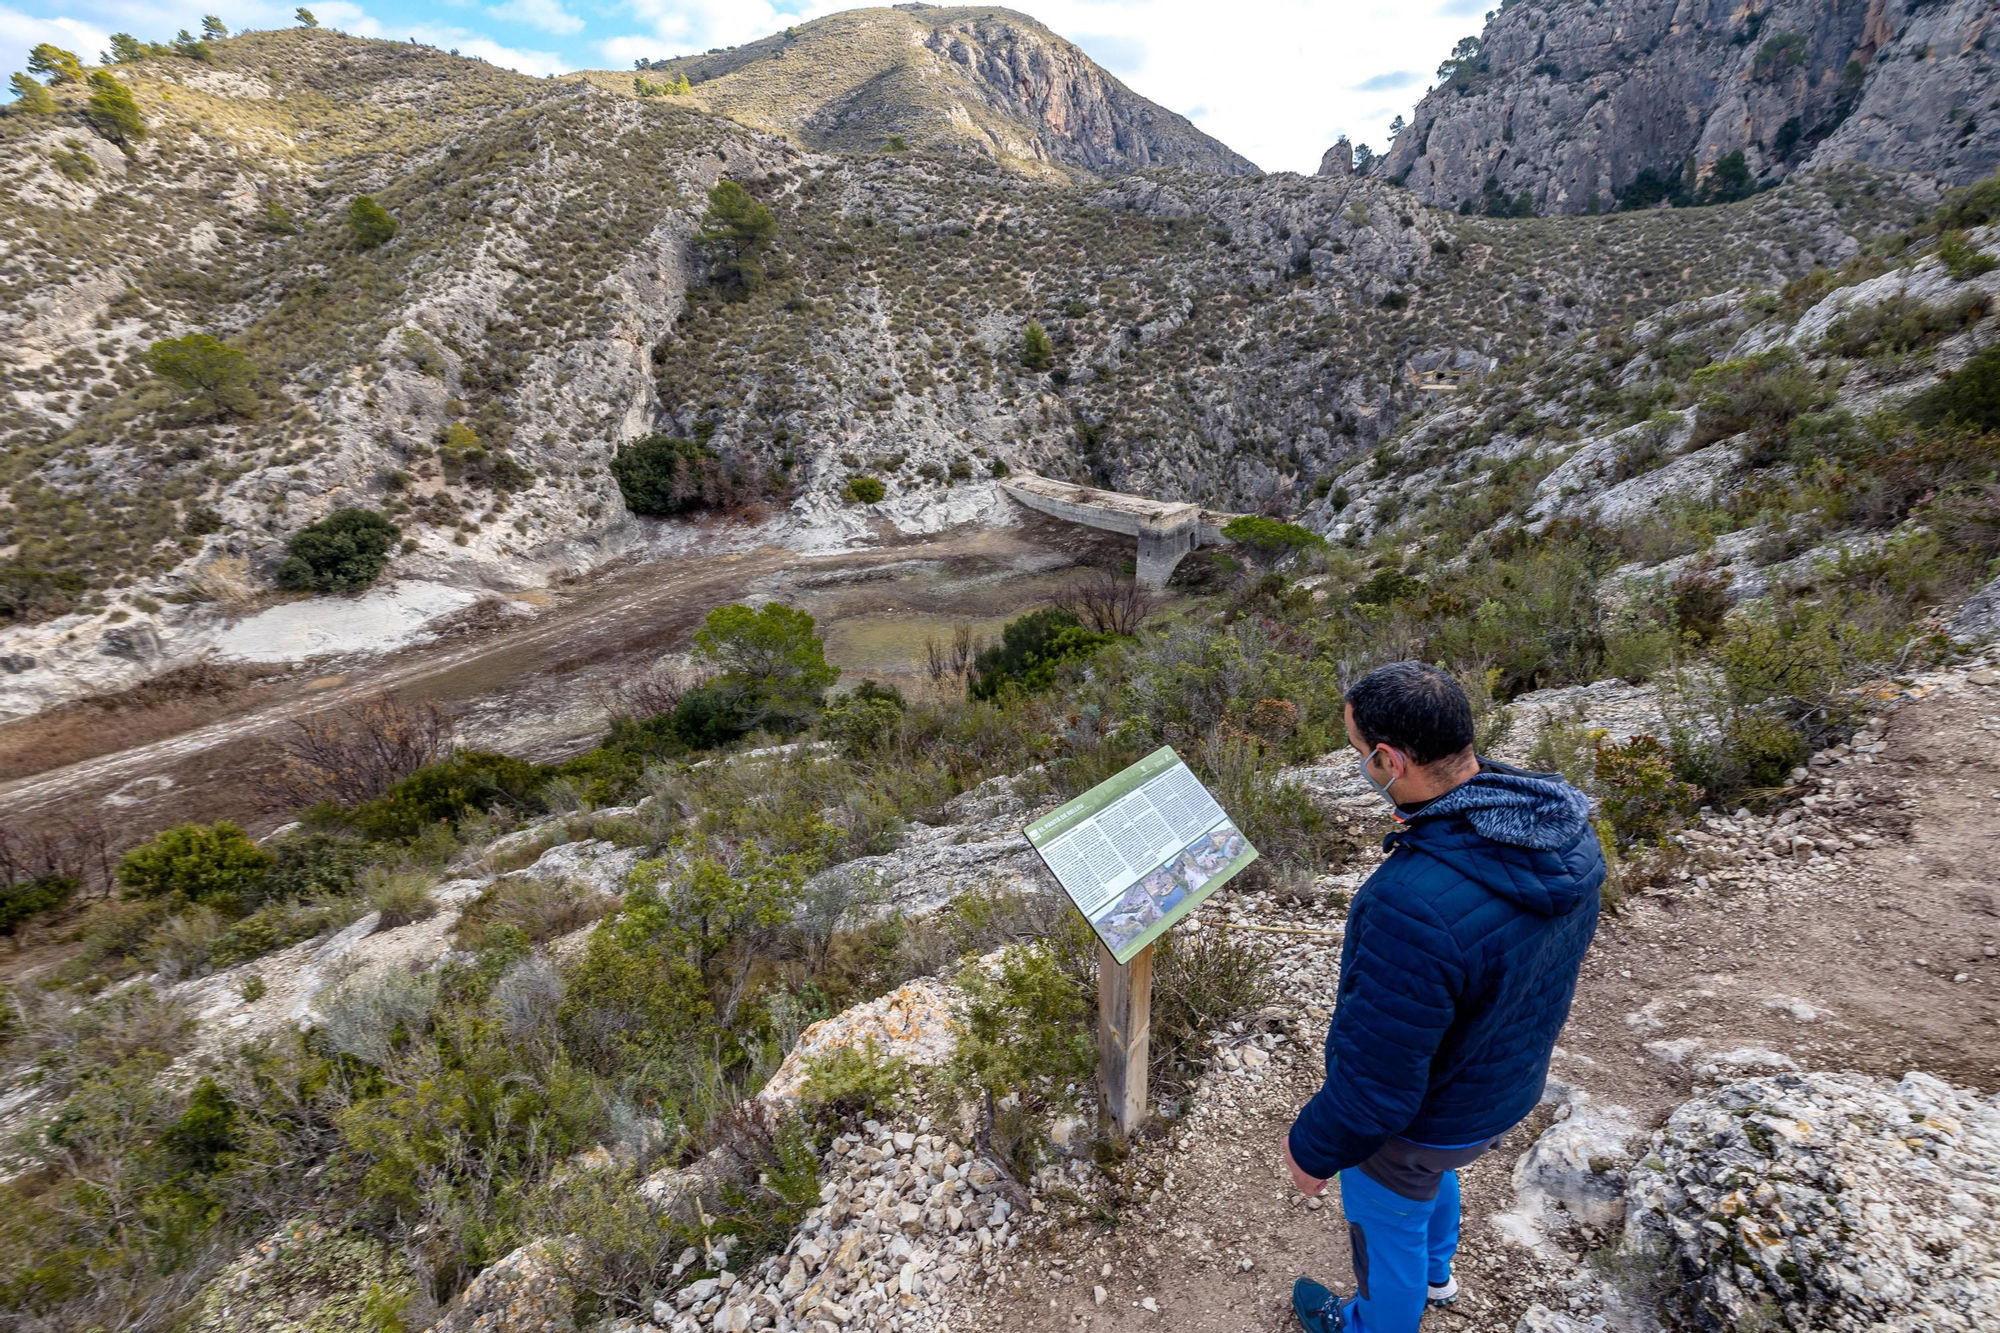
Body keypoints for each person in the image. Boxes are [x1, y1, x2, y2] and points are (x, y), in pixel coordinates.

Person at [1285, 662, 1603, 1333]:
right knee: (1434, 1174)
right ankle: (1439, 1272)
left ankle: (1375, 1323)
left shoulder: (1408, 902)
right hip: (1502, 1087)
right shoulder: (1559, 826)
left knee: (1387, 1217)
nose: (1359, 764)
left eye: (1357, 751)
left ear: (1388, 759)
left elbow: (1377, 1090)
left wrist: (1310, 1150)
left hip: (1430, 1119)